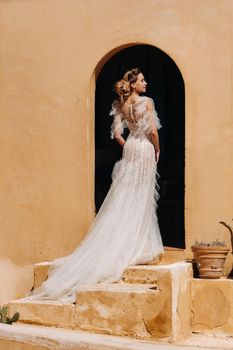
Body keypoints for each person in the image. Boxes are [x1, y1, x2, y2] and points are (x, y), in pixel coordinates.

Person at [23, 68, 164, 304]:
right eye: (141, 80)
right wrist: (157, 148)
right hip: (144, 148)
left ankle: (125, 239)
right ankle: (138, 244)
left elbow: (118, 134)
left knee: (126, 194)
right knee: (141, 193)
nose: (145, 83)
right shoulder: (146, 102)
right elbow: (152, 130)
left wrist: (128, 144)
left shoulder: (120, 106)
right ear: (133, 84)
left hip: (130, 147)